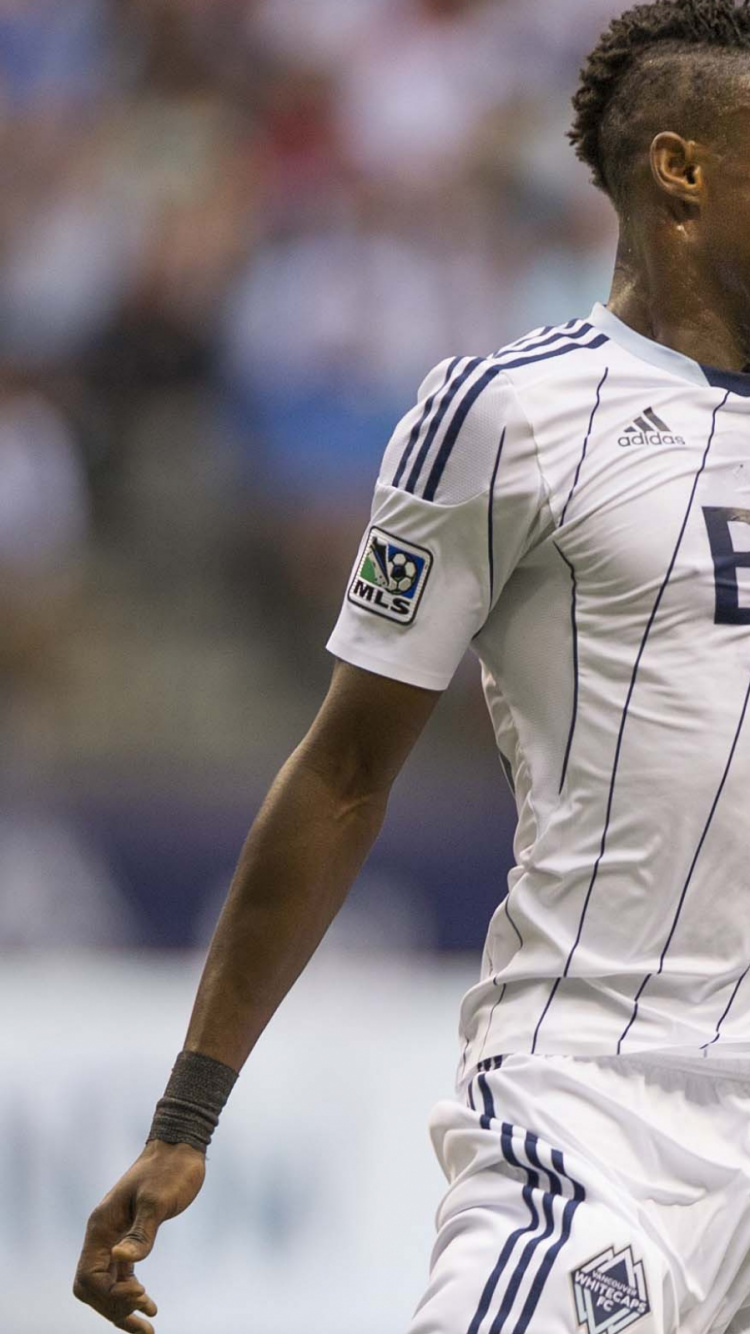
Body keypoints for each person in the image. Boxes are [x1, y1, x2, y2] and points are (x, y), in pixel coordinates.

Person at [73, 2, 750, 1331]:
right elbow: (341, 769)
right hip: (595, 1118)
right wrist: (187, 1111)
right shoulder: (509, 413)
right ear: (681, 168)